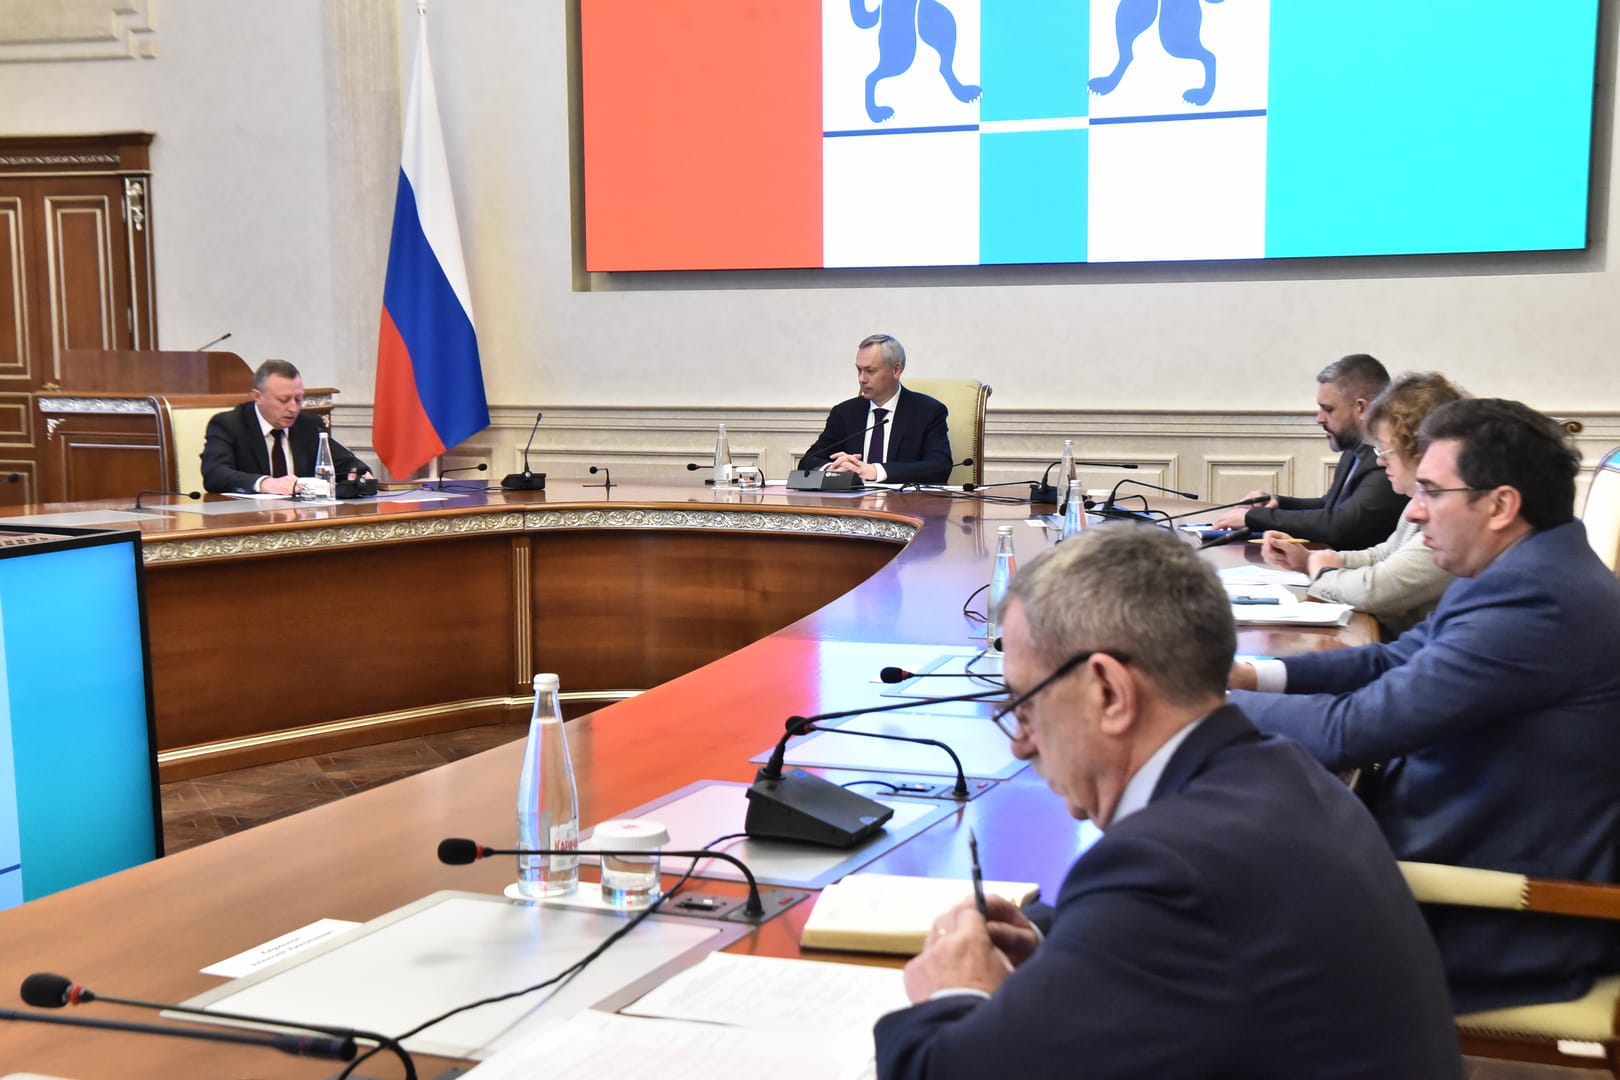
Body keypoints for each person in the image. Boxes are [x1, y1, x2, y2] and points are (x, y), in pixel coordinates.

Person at [873, 526, 1463, 1079]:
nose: (1021, 743)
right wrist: (1062, 952)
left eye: (1025, 706)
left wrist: (953, 990)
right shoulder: (1284, 773)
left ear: (1109, 692)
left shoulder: (1168, 866)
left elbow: (946, 1070)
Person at [1229, 399, 1620, 1013]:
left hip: (1495, 914)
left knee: (1210, 924)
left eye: (1433, 492)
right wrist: (1249, 674)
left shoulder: (1536, 601)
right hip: (1445, 844)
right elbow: (1390, 660)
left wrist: (1195, 704)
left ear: (1500, 505)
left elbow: (1352, 729)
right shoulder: (1521, 565)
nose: (1412, 508)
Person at [1259, 371, 1466, 636]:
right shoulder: (1419, 500)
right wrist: (1308, 559)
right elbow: (1383, 555)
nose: (1379, 460)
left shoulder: (1452, 518)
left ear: (1419, 450)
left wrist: (1322, 572)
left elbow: (1374, 591)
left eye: (1385, 449)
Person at [1211, 353, 1406, 549]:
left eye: (1328, 409)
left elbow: (1340, 525)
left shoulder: (1384, 459)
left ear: (1361, 408)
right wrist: (1277, 502)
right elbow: (1329, 505)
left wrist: (1254, 517)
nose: (1319, 419)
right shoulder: (1355, 450)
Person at [799, 333, 952, 484]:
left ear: (896, 370)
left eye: (870, 371)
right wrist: (832, 469)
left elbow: (940, 467)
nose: (862, 379)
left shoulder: (928, 412)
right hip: (853, 499)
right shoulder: (844, 413)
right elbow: (808, 461)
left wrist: (876, 471)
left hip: (902, 499)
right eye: (859, 370)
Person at [201, 359, 373, 494]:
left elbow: (346, 463)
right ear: (257, 396)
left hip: (303, 517)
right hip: (248, 518)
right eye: (283, 400)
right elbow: (215, 473)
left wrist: (360, 474)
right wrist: (266, 483)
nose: (293, 408)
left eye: (298, 399)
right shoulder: (229, 425)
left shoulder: (309, 425)